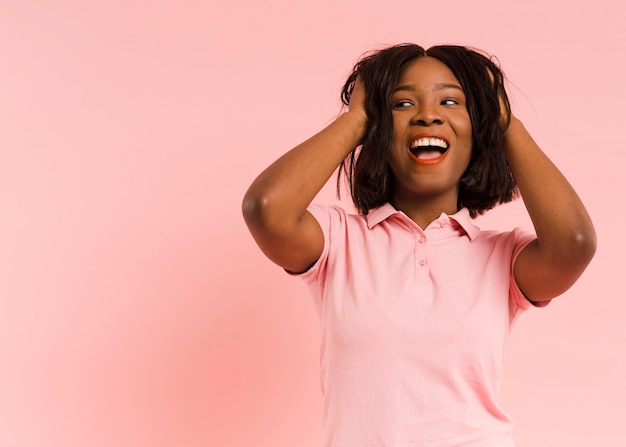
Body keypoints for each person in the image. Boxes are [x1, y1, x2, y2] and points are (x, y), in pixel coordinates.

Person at [241, 44, 596, 447]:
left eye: (450, 101)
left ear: (477, 130)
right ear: (378, 129)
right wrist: (358, 117)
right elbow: (266, 208)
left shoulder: (503, 258)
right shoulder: (339, 240)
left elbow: (575, 243)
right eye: (402, 103)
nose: (428, 114)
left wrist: (503, 121)